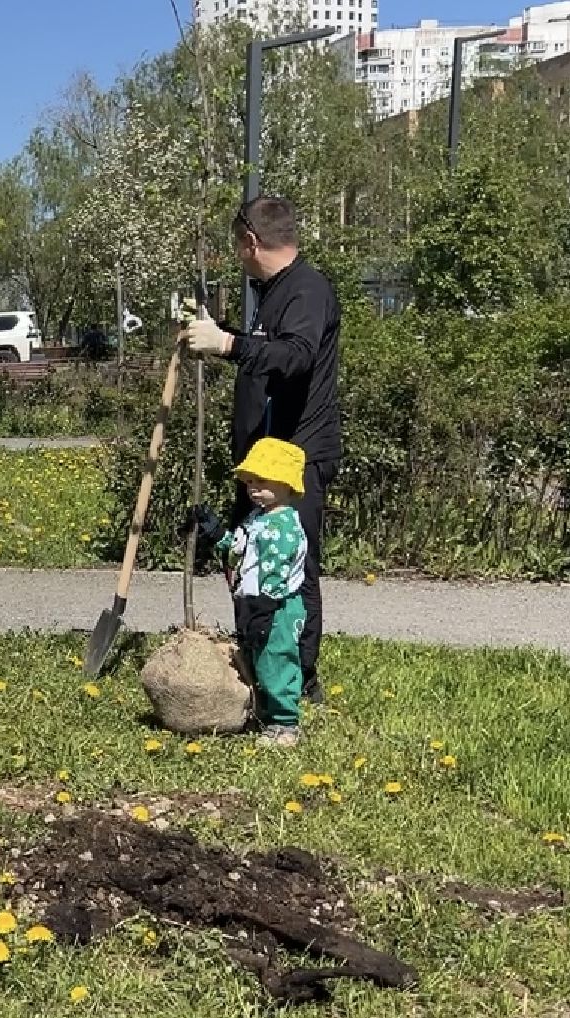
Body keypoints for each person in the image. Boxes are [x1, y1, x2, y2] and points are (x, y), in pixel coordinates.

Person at [179, 194, 341, 702]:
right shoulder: (271, 293)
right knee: (247, 557)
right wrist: (215, 334)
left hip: (295, 460)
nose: (236, 254)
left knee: (292, 565)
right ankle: (258, 661)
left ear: (252, 240)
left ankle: (297, 682)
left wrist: (228, 345)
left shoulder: (307, 290)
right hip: (260, 460)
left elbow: (294, 357)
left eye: (236, 245)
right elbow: (265, 354)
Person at [188, 438, 311, 747]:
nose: (254, 487)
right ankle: (264, 712)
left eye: (262, 480)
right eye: (250, 481)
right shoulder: (257, 518)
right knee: (256, 659)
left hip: (277, 607)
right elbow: (240, 550)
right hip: (256, 604)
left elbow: (276, 571)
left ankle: (285, 724)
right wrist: (217, 533)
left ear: (286, 483)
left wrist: (264, 607)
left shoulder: (284, 526)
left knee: (276, 660)